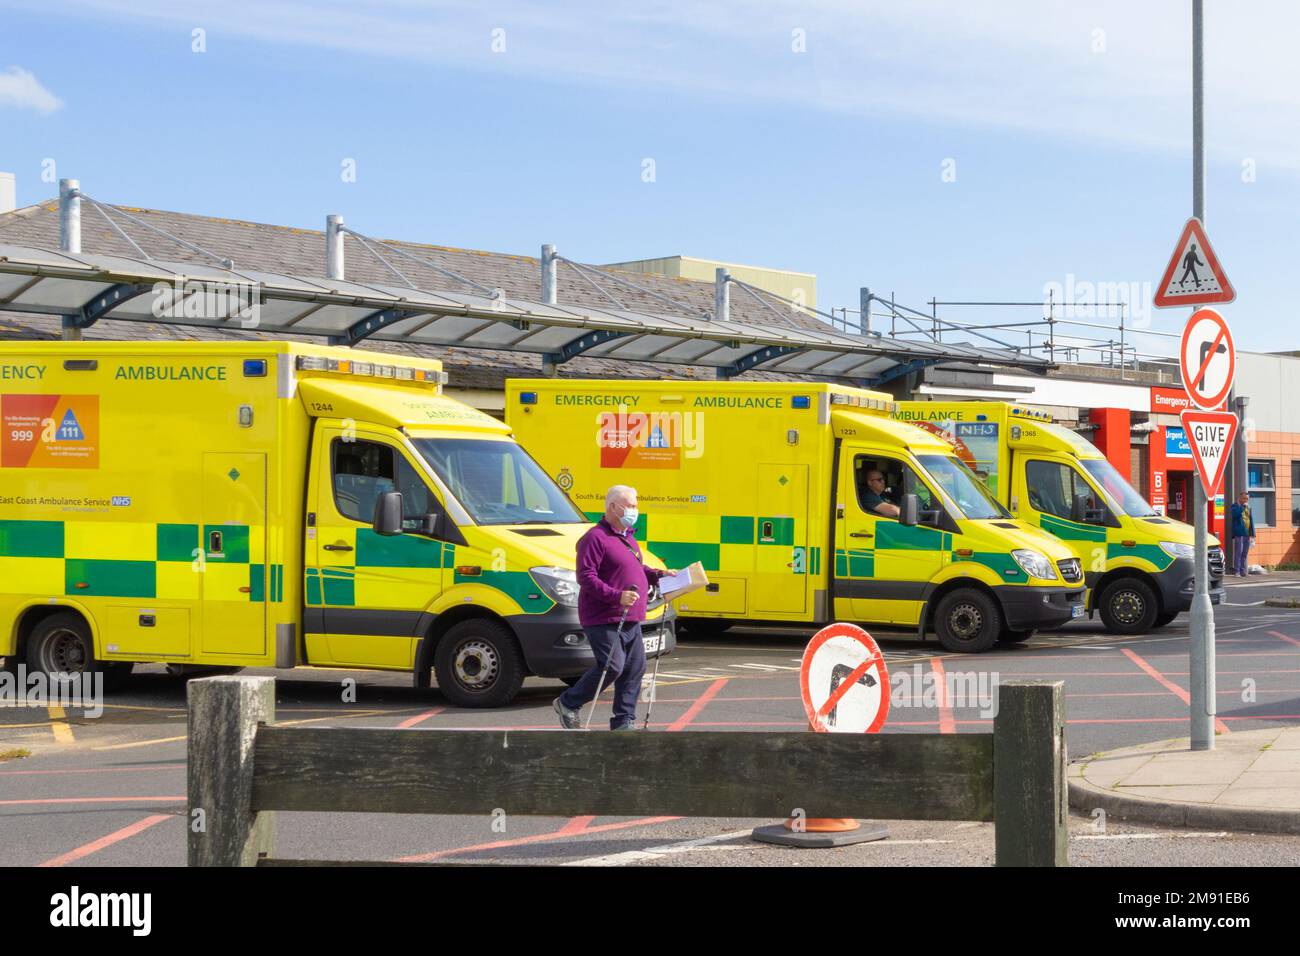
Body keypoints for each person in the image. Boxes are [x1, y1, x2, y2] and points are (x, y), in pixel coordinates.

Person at [554, 485, 674, 730]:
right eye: (629, 505)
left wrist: (659, 575)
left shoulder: (628, 536)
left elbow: (634, 569)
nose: (634, 510)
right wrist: (616, 596)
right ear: (612, 507)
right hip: (603, 616)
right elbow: (585, 577)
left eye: (635, 505)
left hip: (631, 616)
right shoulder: (595, 538)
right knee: (612, 665)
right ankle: (568, 702)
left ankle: (623, 721)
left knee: (634, 668)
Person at [1230, 492, 1255, 576]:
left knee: (1245, 553)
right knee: (1238, 552)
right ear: (1240, 498)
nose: (1246, 500)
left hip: (1247, 533)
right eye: (1244, 498)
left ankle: (1242, 571)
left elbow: (1251, 520)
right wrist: (1241, 507)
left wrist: (1253, 533)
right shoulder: (1234, 506)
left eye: (1247, 499)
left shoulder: (1249, 507)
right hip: (1239, 533)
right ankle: (1237, 571)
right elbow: (1235, 515)